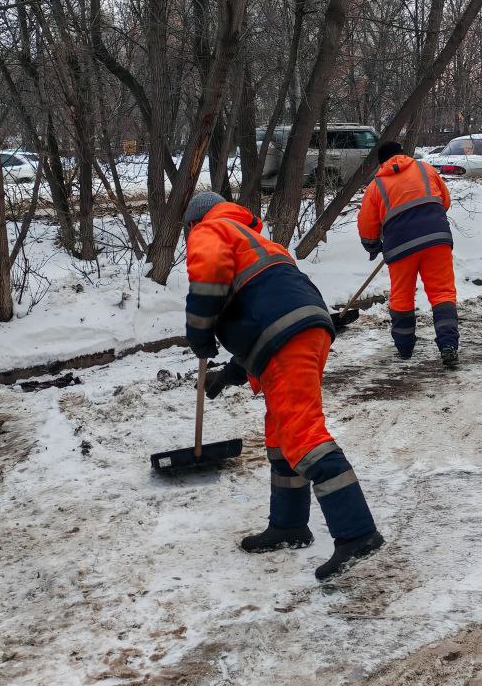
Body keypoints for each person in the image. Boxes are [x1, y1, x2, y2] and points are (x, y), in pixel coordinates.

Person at [183, 190, 383, 581]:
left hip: (289, 337)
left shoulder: (212, 229)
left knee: (302, 433)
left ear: (194, 222)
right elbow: (266, 313)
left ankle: (358, 533)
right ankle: (289, 525)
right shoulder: (256, 240)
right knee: (279, 433)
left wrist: (200, 334)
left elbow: (207, 279)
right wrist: (232, 372)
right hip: (300, 330)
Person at [357, 141, 460, 367]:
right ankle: (449, 345)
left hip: (400, 247)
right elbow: (445, 201)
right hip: (437, 240)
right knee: (442, 293)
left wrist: (373, 245)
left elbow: (367, 227)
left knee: (402, 297)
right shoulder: (425, 169)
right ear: (403, 154)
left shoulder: (376, 187)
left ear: (381, 162)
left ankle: (404, 349)